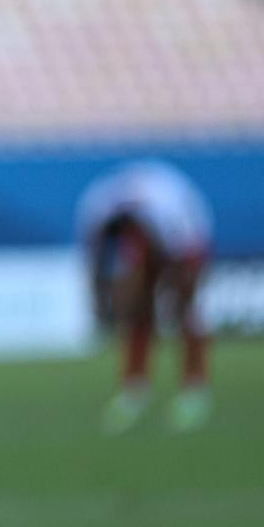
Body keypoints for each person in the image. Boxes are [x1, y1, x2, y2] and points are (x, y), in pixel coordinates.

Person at [76, 160, 214, 434]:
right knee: (137, 311)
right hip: (150, 227)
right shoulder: (97, 206)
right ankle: (135, 390)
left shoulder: (170, 214)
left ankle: (194, 389)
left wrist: (175, 293)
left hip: (189, 236)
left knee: (185, 313)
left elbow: (182, 264)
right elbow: (94, 259)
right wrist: (99, 300)